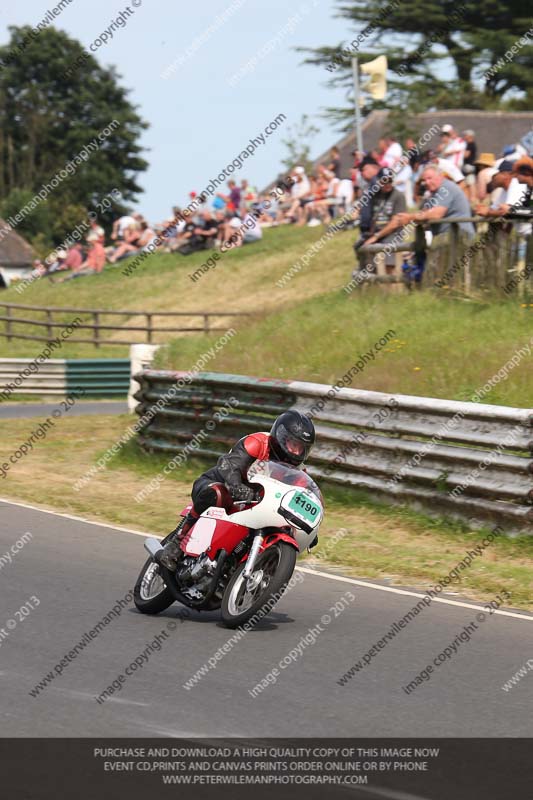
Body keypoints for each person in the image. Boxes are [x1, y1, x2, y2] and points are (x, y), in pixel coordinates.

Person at [158, 411, 316, 570]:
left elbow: (299, 498)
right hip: (220, 483)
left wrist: (309, 530)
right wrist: (236, 486)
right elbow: (228, 466)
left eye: (301, 448)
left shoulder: (299, 472)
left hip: (255, 504)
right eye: (293, 444)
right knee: (217, 493)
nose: (297, 452)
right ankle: (176, 543)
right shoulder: (257, 442)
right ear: (281, 436)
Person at [395, 165, 475, 238]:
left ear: (440, 176)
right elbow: (424, 212)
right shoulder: (433, 193)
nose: (427, 182)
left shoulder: (446, 188)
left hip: (460, 238)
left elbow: (436, 214)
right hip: (446, 238)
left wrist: (410, 217)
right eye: (424, 180)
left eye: (430, 178)